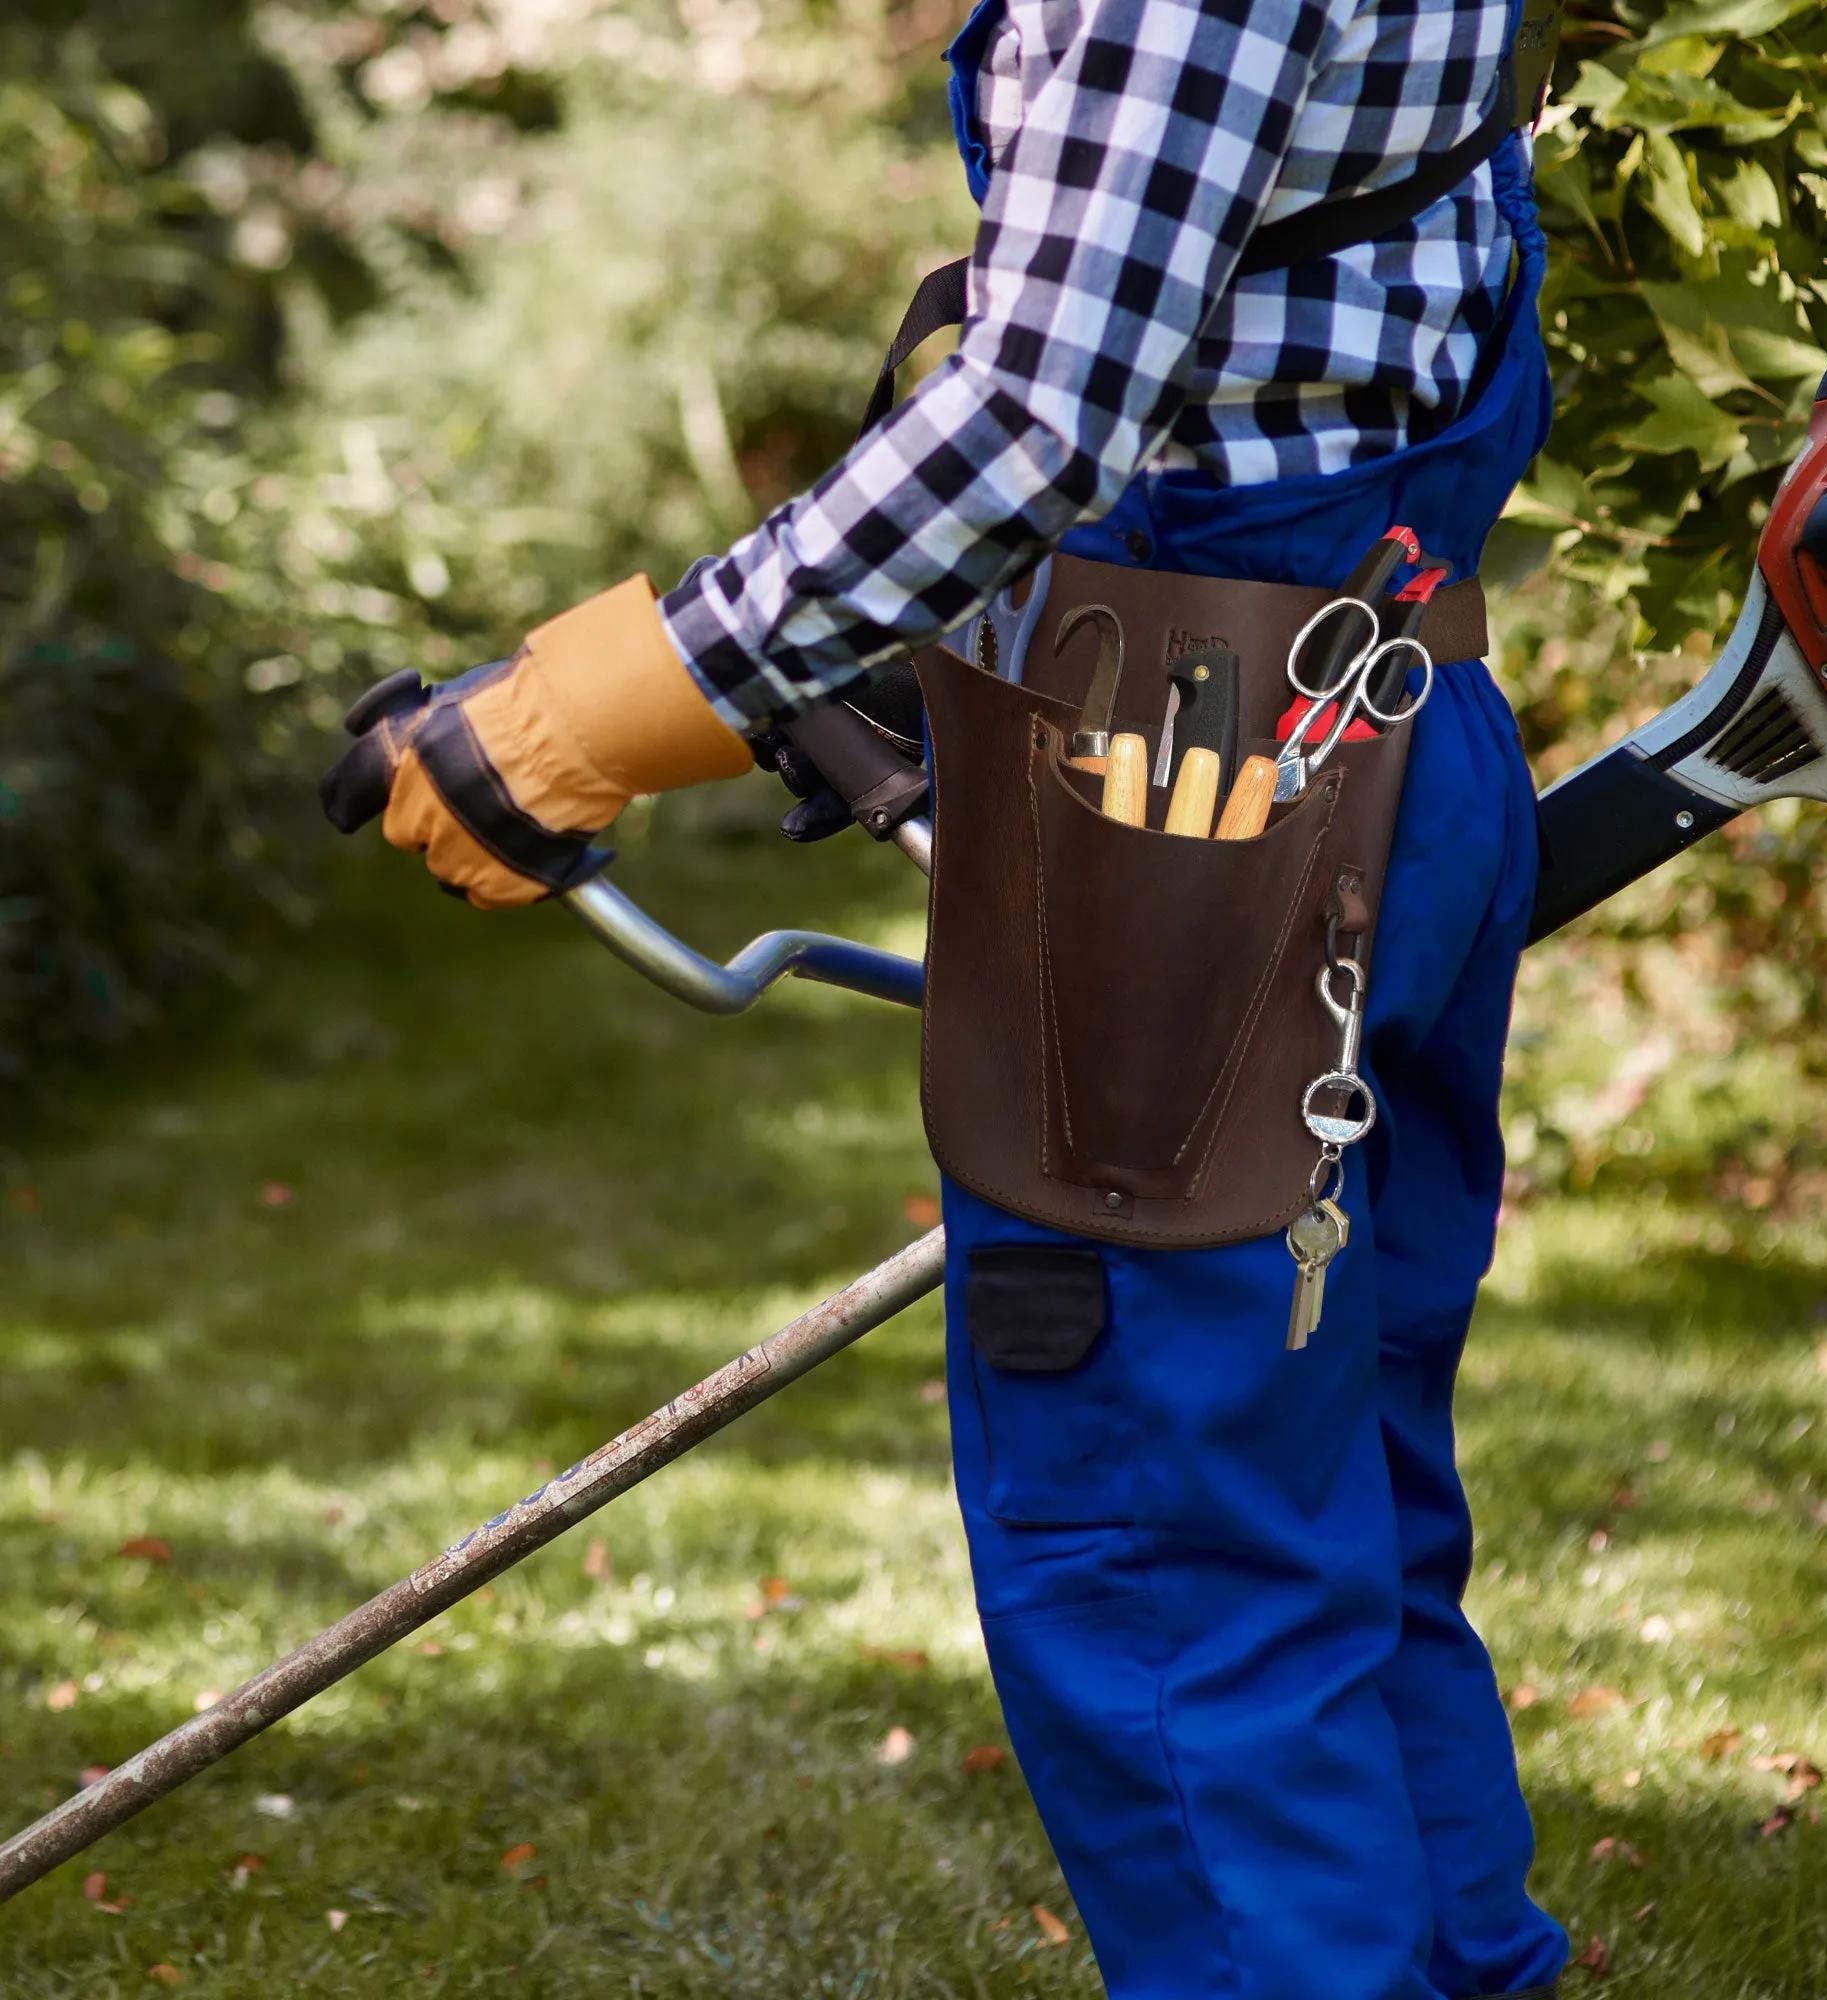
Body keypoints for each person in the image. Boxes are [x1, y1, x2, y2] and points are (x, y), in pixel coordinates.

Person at [329, 0, 1571, 1990]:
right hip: (1389, 726)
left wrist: (612, 706)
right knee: (1333, 1494)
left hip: (1203, 802)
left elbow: (1036, 417)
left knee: (1172, 1557)